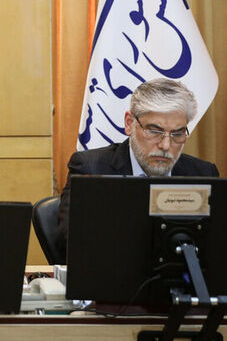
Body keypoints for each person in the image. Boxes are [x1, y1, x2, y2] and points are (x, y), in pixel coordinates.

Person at [57, 78, 219, 259]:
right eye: (154, 131)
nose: (166, 145)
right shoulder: (92, 168)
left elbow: (216, 246)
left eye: (177, 133)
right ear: (129, 123)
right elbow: (72, 241)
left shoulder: (203, 174)